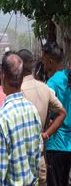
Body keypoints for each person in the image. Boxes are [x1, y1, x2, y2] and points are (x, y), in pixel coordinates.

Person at [0, 52, 42, 185]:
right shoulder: (32, 110)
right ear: (22, 77)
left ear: (3, 77)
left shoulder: (2, 118)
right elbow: (38, 155)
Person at [17, 49, 66, 186]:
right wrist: (45, 134)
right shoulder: (45, 87)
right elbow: (62, 112)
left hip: (22, 157)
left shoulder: (18, 91)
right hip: (40, 156)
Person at [42, 41, 71, 186]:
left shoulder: (51, 84)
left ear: (51, 61)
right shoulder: (69, 76)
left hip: (56, 144)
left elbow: (47, 115)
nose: (43, 63)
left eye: (44, 60)